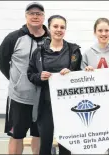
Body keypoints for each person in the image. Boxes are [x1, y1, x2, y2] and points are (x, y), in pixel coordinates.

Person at [0, 2, 48, 154]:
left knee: (39, 135)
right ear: (26, 16)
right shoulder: (13, 38)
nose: (35, 16)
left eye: (39, 14)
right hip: (19, 98)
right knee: (16, 135)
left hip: (43, 99)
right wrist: (17, 81)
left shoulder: (51, 38)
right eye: (31, 13)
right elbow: (1, 61)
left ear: (43, 17)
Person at [27, 15, 82, 155]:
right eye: (55, 26)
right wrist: (39, 76)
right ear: (49, 28)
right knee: (45, 143)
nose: (59, 30)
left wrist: (72, 73)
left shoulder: (74, 50)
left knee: (66, 143)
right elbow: (30, 75)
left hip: (68, 104)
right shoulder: (39, 52)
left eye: (62, 27)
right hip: (46, 104)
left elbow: (80, 75)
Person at [81, 17, 109, 155]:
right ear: (95, 32)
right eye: (100, 30)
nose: (103, 33)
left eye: (106, 30)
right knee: (94, 137)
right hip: (93, 103)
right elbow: (81, 82)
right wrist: (86, 74)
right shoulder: (87, 54)